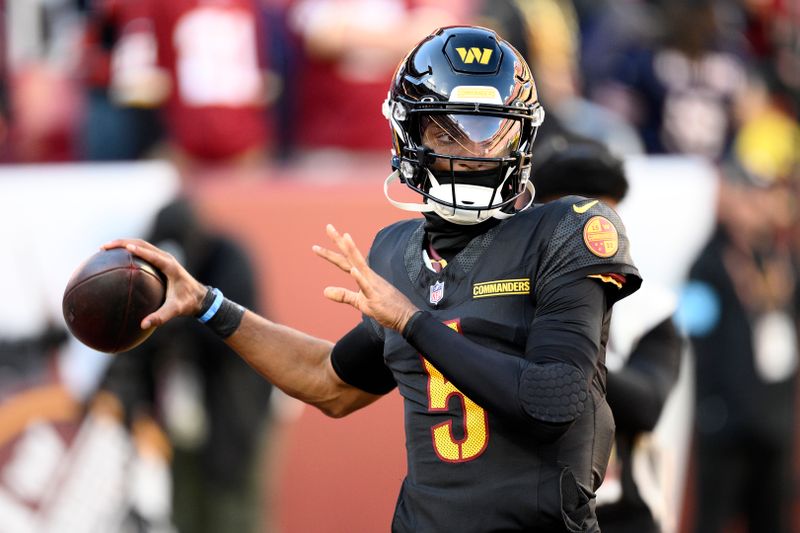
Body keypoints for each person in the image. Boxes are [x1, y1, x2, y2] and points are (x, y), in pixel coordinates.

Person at [103, 26, 642, 532]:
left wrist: (411, 322)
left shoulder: (569, 230)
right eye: (448, 132)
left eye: (491, 132)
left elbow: (551, 402)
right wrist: (208, 304)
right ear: (408, 134)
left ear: (521, 139)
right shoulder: (399, 253)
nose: (474, 154)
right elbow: (328, 383)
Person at [532, 136, 683, 533]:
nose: (588, 233)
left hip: (621, 510)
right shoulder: (508, 292)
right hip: (526, 504)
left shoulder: (649, 307)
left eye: (600, 215)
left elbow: (648, 403)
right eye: (570, 214)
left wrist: (567, 358)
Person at [99, 198, 273, 533]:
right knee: (186, 511)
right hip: (188, 408)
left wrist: (181, 318)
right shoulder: (150, 281)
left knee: (233, 509)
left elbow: (238, 336)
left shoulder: (228, 258)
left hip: (241, 400)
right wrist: (133, 405)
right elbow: (135, 353)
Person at [680, 165, 798, 533]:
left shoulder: (780, 260)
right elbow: (693, 331)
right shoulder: (708, 263)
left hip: (773, 422)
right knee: (713, 519)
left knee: (772, 519)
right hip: (725, 421)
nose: (758, 204)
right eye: (748, 195)